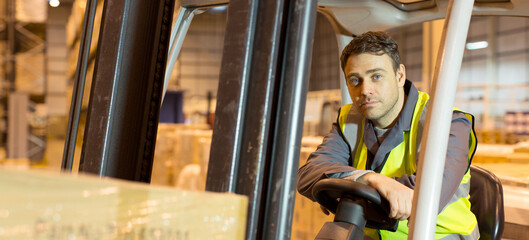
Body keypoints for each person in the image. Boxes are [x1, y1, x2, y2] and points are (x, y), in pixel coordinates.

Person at [297, 31, 479, 239]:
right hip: (373, 232)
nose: (365, 90)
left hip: (438, 234)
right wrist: (372, 179)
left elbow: (421, 199)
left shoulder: (447, 123)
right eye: (355, 80)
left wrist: (344, 188)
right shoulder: (350, 119)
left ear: (399, 76)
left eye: (376, 76)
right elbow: (309, 174)